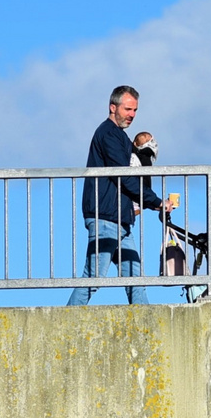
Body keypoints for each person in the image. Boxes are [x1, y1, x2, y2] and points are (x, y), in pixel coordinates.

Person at [67, 85, 173, 306]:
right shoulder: (108, 135)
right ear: (112, 107)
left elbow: (129, 179)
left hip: (120, 219)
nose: (132, 115)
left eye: (135, 110)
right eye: (128, 109)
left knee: (135, 278)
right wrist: (155, 202)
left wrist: (150, 203)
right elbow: (124, 178)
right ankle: (62, 323)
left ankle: (146, 325)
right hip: (105, 217)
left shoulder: (120, 137)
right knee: (94, 277)